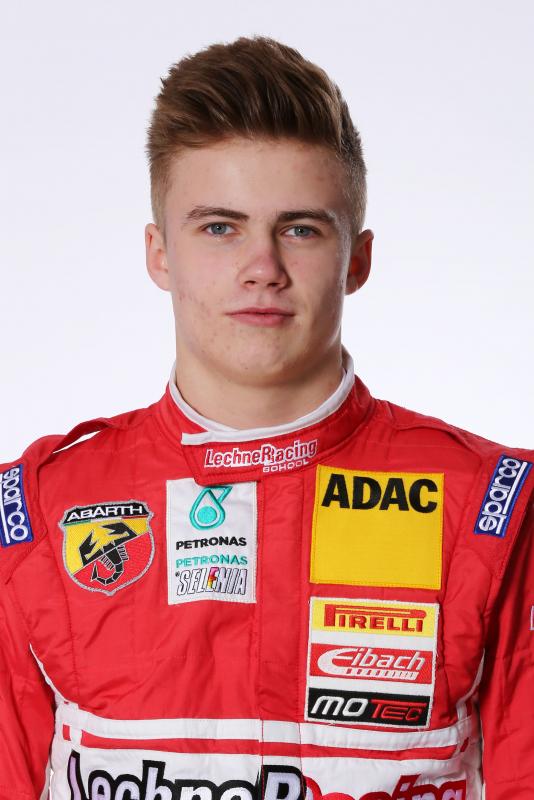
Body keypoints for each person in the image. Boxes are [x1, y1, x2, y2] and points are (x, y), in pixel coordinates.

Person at [0, 35, 532, 800]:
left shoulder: (493, 508)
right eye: (220, 227)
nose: (263, 268)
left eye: (300, 228)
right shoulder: (35, 513)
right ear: (159, 253)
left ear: (358, 259)